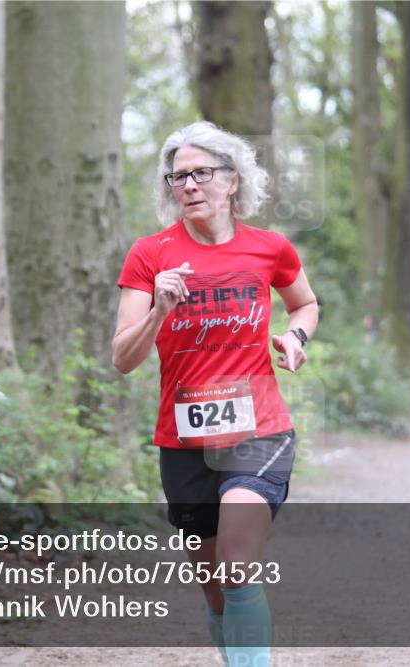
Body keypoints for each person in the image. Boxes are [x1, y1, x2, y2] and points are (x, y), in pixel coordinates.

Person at [112, 121, 318, 667]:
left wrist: (295, 337)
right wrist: (159, 309)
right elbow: (123, 358)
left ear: (232, 180)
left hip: (259, 429)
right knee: (212, 584)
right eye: (177, 177)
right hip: (184, 441)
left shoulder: (269, 248)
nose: (189, 186)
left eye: (201, 173)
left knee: (236, 563)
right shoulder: (149, 256)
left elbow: (305, 303)